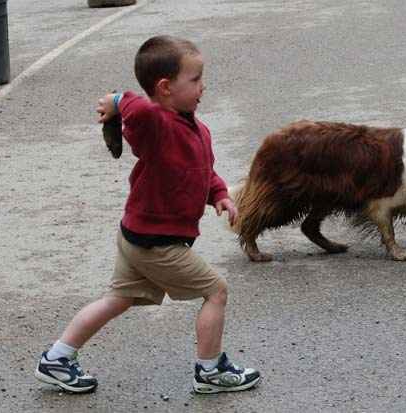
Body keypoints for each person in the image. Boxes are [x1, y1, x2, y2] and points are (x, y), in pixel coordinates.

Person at [34, 35, 260, 394]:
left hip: (137, 235)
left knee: (117, 299)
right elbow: (139, 110)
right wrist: (119, 100)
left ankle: (56, 359)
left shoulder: (196, 128)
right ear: (166, 87)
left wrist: (217, 193)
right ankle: (211, 371)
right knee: (215, 290)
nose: (204, 86)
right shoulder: (156, 124)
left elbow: (203, 169)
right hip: (157, 243)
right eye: (196, 79)